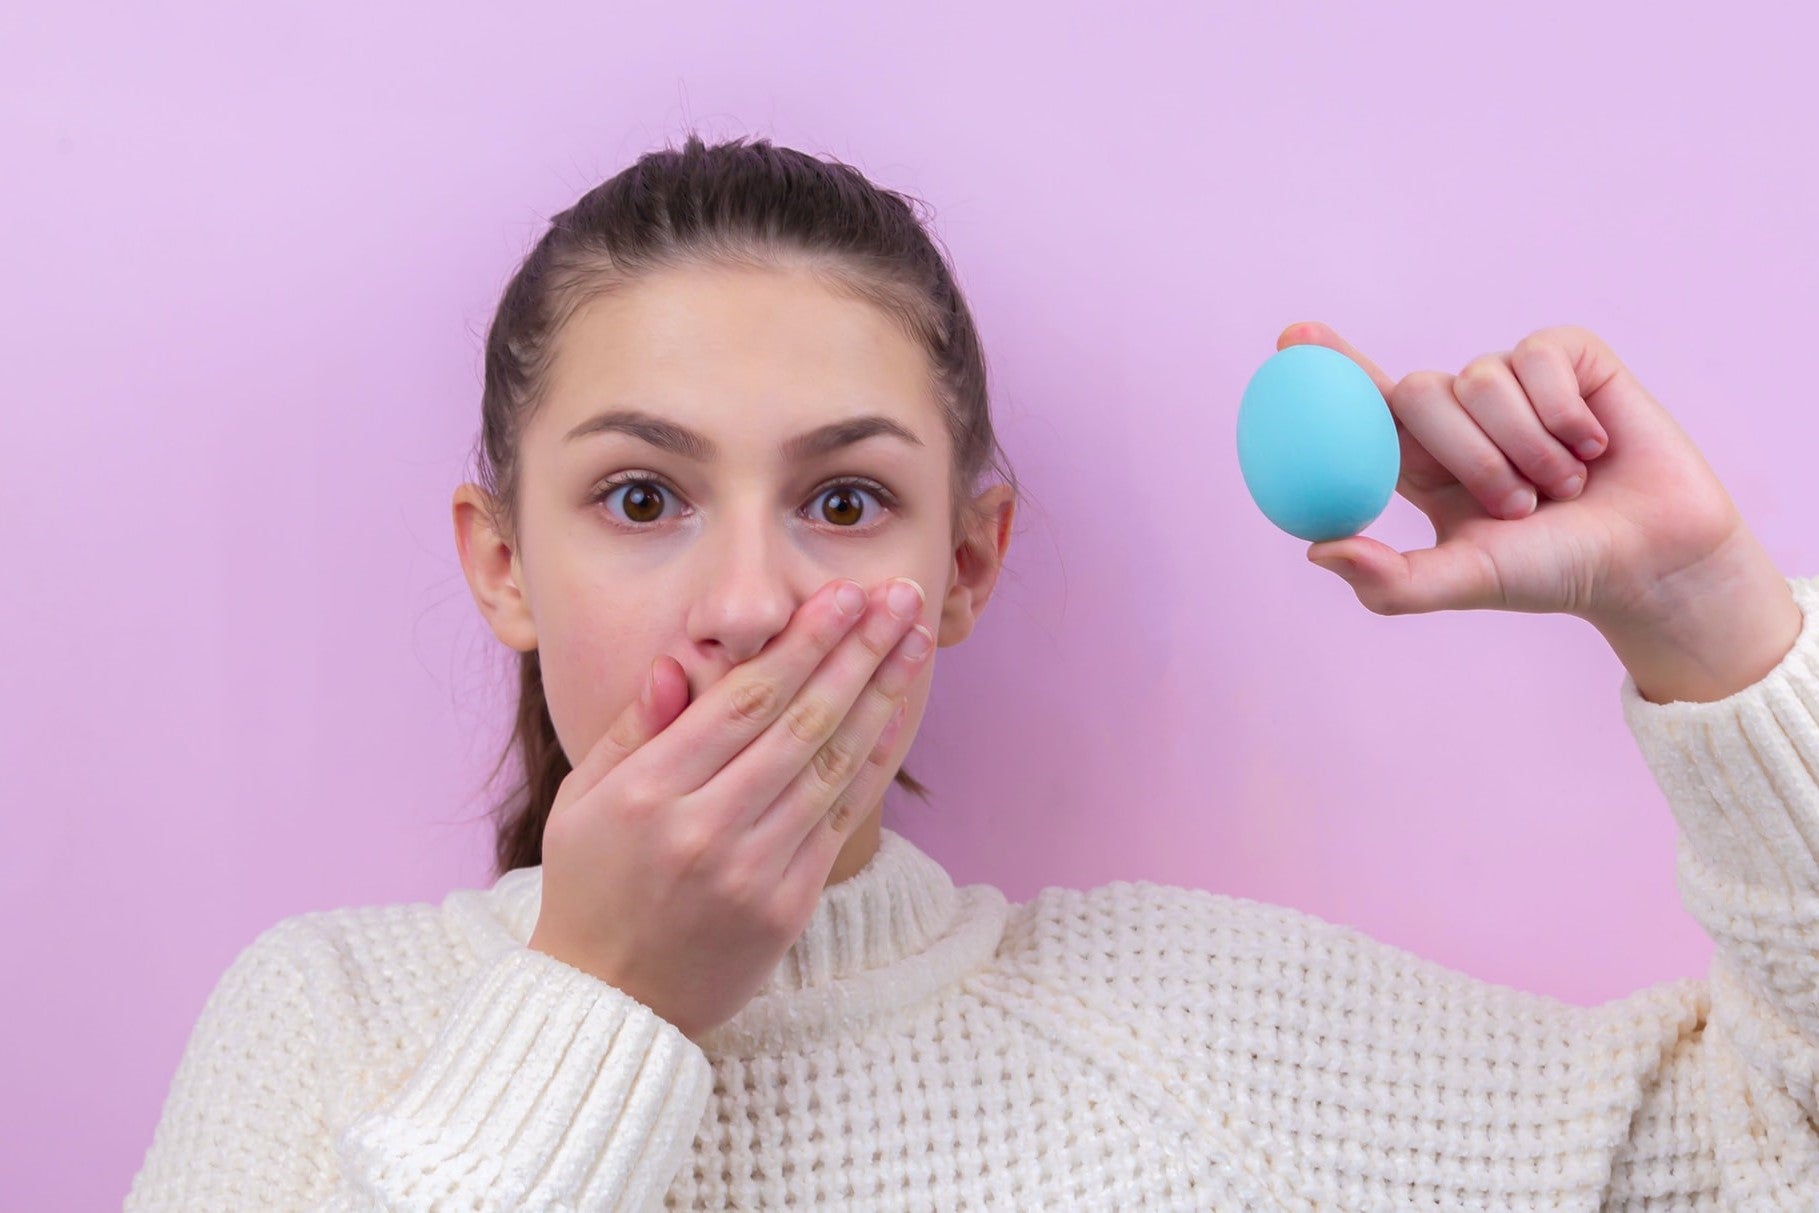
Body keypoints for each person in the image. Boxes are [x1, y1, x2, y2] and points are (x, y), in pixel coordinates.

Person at [125, 132, 1819, 1211]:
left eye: (844, 500)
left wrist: (1705, 618)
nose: (745, 602)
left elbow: (1770, 1158)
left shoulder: (1205, 1038)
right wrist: (602, 1005)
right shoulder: (331, 1025)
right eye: (640, 497)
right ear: (504, 561)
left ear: (968, 565)